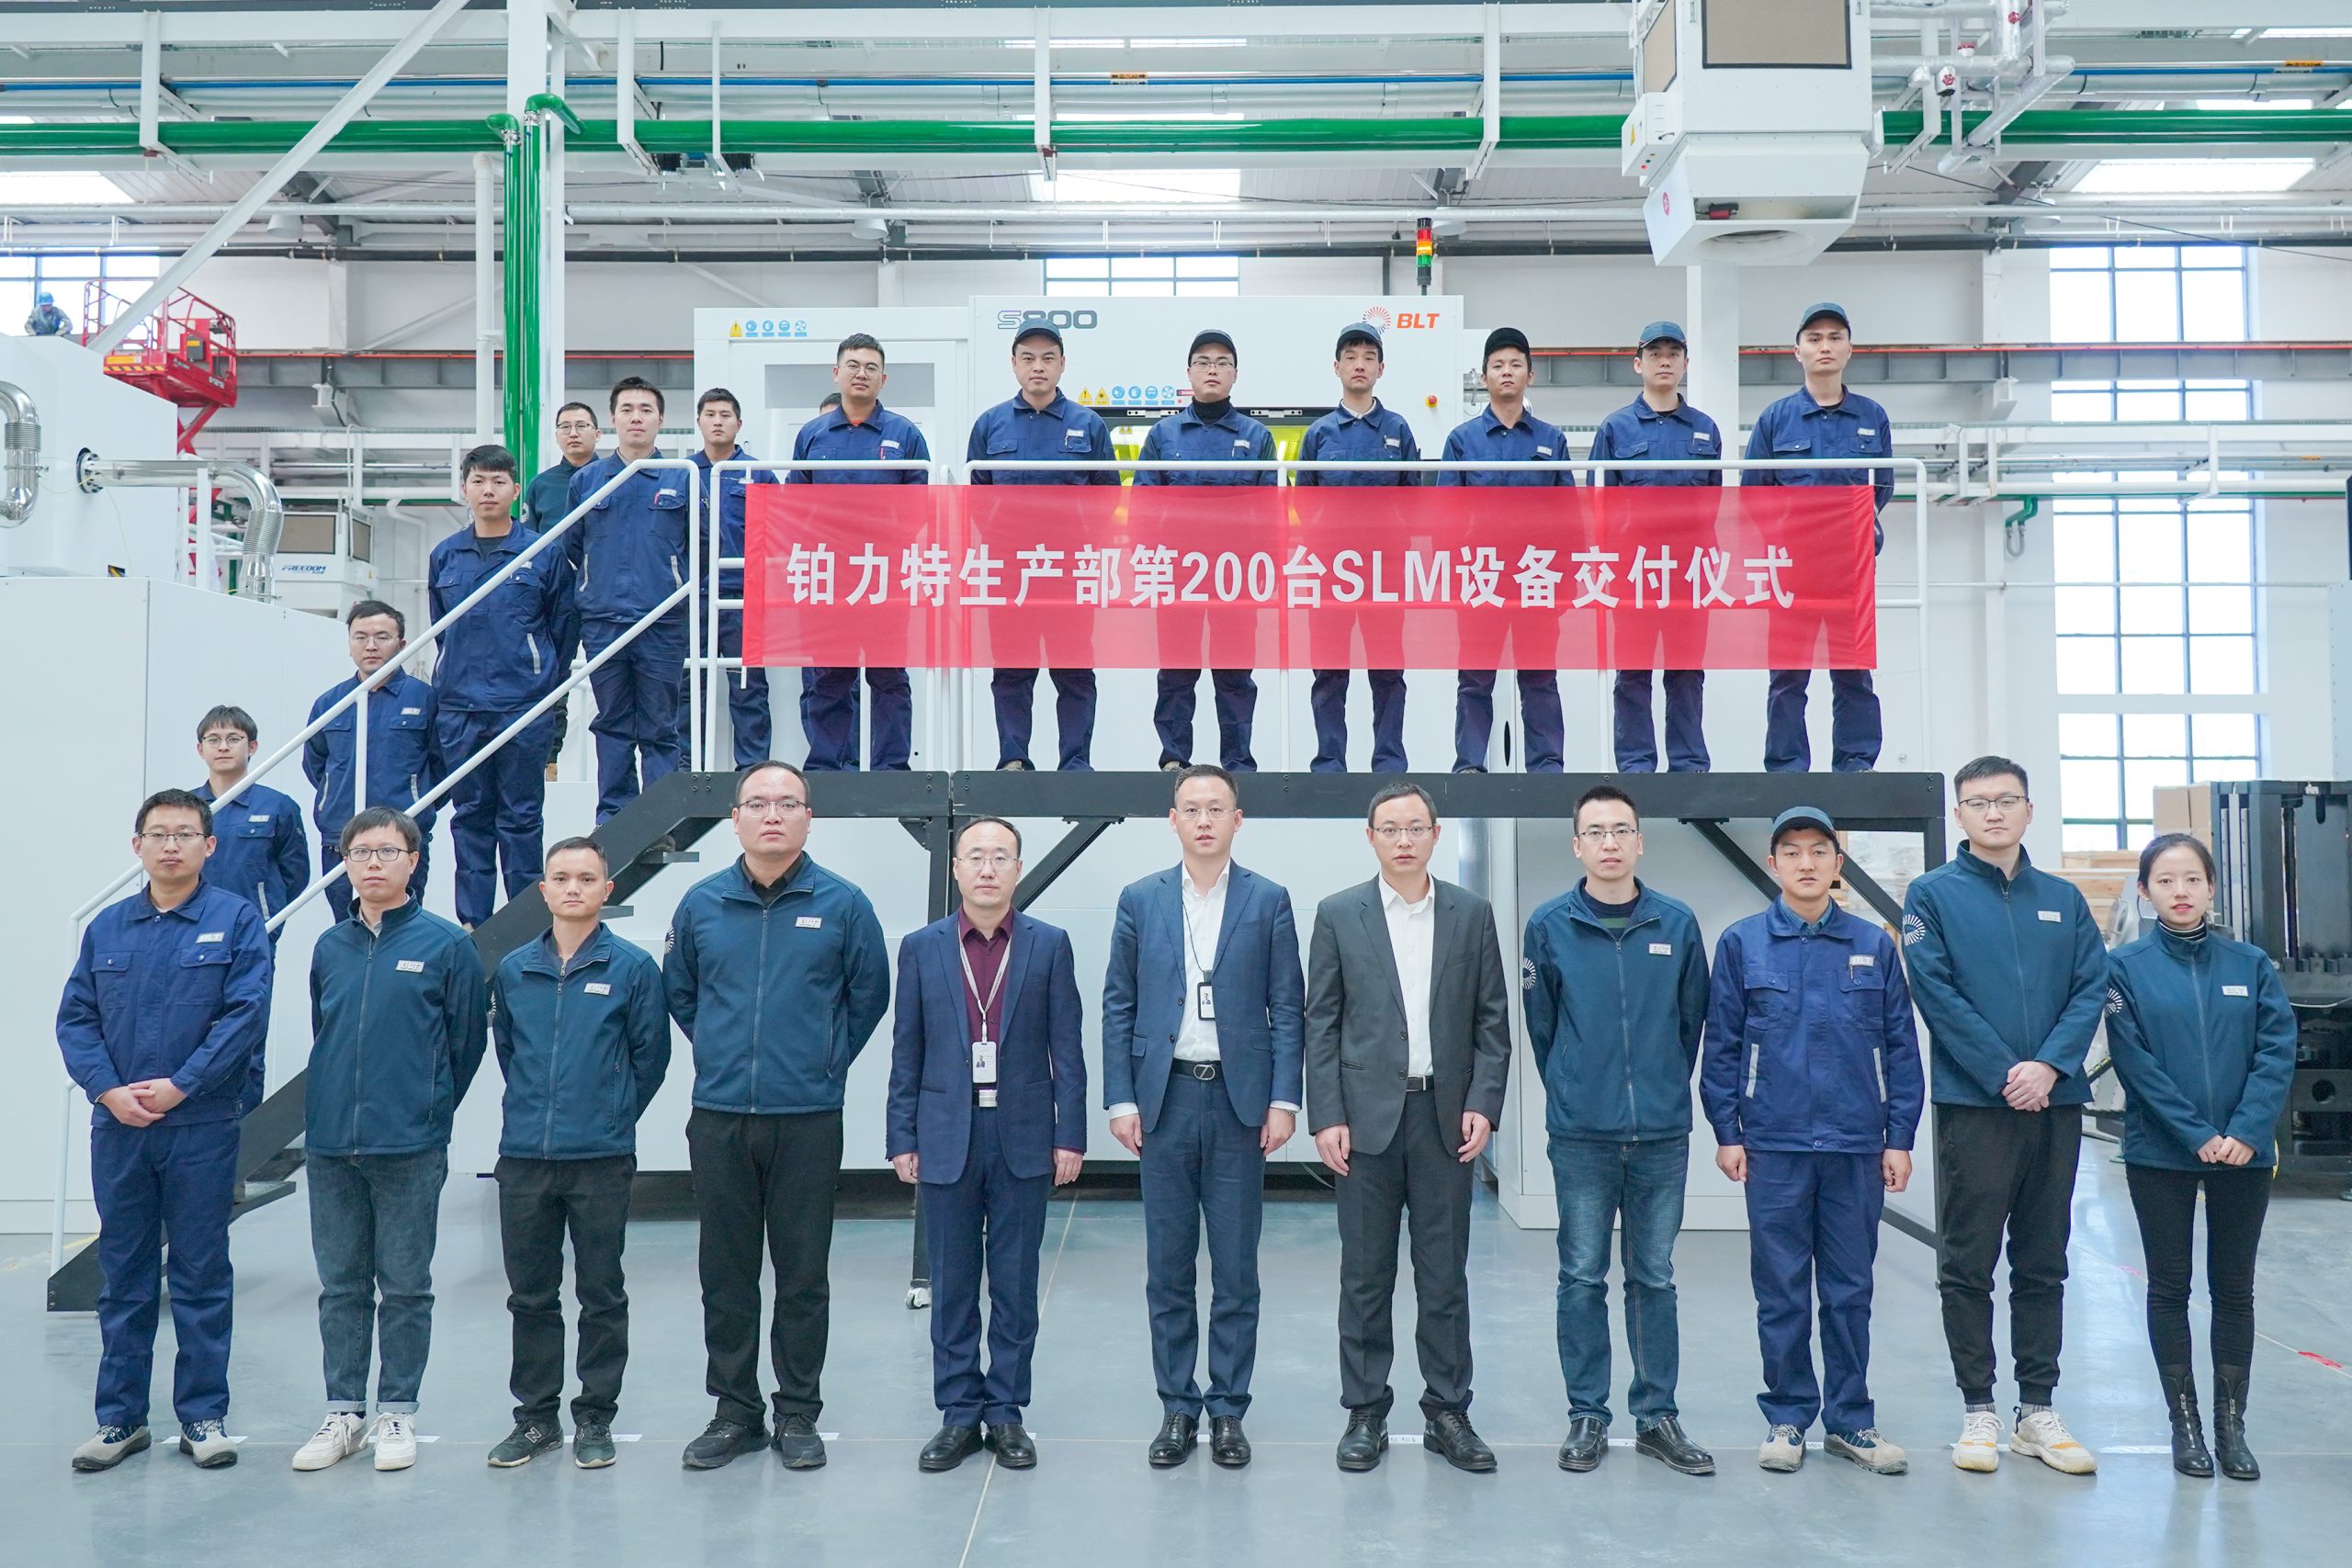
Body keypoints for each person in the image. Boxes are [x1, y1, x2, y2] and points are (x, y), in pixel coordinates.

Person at [665, 761, 890, 1472]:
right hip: (720, 1115)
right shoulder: (701, 904)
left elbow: (868, 995)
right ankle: (735, 1410)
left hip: (808, 1117)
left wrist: (822, 1060)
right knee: (726, 1272)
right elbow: (683, 994)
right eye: (757, 803)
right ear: (734, 818)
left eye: (787, 803)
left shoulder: (844, 903)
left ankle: (797, 1410)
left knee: (802, 1273)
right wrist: (726, 1051)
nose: (772, 814)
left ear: (807, 818)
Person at [1899, 756, 2108, 1476]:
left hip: (2055, 1103)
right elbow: (1936, 993)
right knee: (1969, 1260)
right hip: (1975, 1105)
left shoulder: (2064, 899)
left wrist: (2048, 1066)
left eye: (2006, 799)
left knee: (2043, 1259)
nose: (1994, 812)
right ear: (1959, 813)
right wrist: (2003, 1072)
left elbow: (2090, 986)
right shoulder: (1932, 895)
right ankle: (1979, 1408)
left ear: (2028, 809)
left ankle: (2037, 1409)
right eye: (1979, 801)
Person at [1701, 806, 1922, 1477]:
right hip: (1775, 1143)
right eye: (1792, 852)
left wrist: (1899, 1136)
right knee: (1782, 1289)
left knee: (1850, 1289)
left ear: (1836, 863)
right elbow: (1721, 1046)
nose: (1806, 862)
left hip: (1856, 1145)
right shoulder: (1742, 944)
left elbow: (1902, 1048)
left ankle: (1851, 1419)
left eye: (1819, 850)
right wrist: (1727, 1131)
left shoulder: (1874, 944)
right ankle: (1789, 1416)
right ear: (1773, 865)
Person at [59, 789, 272, 1473]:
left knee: (200, 1271)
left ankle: (203, 1416)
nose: (171, 845)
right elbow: (77, 1019)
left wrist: (184, 1083)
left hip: (200, 1124)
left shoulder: (236, 920)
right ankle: (120, 1419)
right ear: (138, 846)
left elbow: (245, 1015)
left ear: (210, 846)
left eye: (185, 833)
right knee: (123, 1274)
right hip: (120, 1126)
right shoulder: (108, 927)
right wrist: (107, 1089)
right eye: (158, 834)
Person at [1101, 763, 1304, 1469]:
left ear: (1238, 819)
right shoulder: (1140, 899)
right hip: (1165, 1100)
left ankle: (1228, 1409)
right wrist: (1121, 1097)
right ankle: (1177, 1407)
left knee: (1237, 1266)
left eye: (1217, 807)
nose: (1205, 819)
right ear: (1174, 819)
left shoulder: (1269, 899)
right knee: (1168, 1264)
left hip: (1239, 1103)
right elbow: (1119, 1002)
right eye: (1192, 808)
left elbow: (1288, 1007)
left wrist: (1283, 1099)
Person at [1304, 781, 1510, 1473]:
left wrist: (1484, 1101)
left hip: (1444, 1119)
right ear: (1370, 837)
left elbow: (1491, 1019)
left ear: (1435, 834)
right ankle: (1366, 1411)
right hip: (1364, 1122)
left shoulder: (1470, 913)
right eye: (1389, 828)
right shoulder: (1339, 913)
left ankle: (1448, 1410)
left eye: (1415, 827)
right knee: (1365, 1275)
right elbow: (1321, 1022)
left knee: (1443, 1273)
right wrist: (1327, 1114)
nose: (1402, 839)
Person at [1521, 784, 1714, 1477]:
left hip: (1661, 1134)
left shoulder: (1677, 924)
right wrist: (1580, 1088)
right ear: (1577, 845)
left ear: (1640, 841)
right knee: (1581, 1274)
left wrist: (1656, 1088)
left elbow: (1691, 1024)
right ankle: (1587, 1415)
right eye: (1596, 832)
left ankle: (1657, 1415)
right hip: (1582, 1136)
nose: (1610, 843)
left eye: (1621, 830)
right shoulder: (1549, 926)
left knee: (1654, 1276)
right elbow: (1543, 1029)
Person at [291, 807, 490, 1475]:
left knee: (405, 1285)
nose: (372, 863)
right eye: (360, 852)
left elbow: (465, 1043)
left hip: (410, 1144)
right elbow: (324, 1030)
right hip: (330, 1144)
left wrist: (424, 1108)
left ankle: (397, 1410)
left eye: (387, 851)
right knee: (341, 1285)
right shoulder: (330, 947)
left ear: (413, 860)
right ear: (345, 862)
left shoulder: (447, 945)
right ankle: (343, 1411)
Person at [888, 817, 1086, 1472]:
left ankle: (1005, 1410)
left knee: (1015, 1280)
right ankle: (957, 1413)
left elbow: (1068, 1049)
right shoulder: (922, 948)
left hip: (1023, 1133)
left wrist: (1070, 1133)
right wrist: (901, 1134)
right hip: (946, 1132)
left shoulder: (1049, 945)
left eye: (1001, 856)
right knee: (950, 1282)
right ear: (956, 867)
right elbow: (907, 1050)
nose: (987, 868)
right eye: (975, 856)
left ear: (1018, 869)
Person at [2104, 832, 2297, 1483]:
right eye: (2165, 881)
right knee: (2169, 1286)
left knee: (2234, 1289)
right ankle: (2183, 1425)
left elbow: (2276, 1049)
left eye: (2192, 879)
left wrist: (2246, 1129)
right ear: (2144, 891)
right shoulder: (2125, 968)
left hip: (2244, 1153)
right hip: (2160, 1153)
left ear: (2211, 887)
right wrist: (2194, 1133)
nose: (2180, 891)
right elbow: (2135, 1062)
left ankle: (2230, 1426)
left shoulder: (2251, 964)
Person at [484, 837, 671, 1472]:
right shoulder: (515, 970)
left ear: (606, 889)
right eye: (561, 877)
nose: (573, 887)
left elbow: (650, 1058)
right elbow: (509, 1052)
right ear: (543, 890)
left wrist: (609, 1115)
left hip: (601, 1158)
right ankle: (536, 1418)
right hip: (524, 1159)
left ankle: (595, 1416)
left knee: (601, 1292)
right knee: (530, 1295)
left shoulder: (633, 969)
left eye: (586, 878)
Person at [428, 444, 577, 930]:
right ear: (464, 490)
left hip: (523, 706)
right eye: (478, 481)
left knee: (521, 816)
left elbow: (563, 626)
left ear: (516, 491)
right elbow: (441, 628)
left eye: (498, 481)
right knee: (470, 815)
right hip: (460, 706)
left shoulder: (542, 551)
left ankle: (525, 921)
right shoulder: (445, 556)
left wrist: (541, 682)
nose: (488, 490)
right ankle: (474, 923)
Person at [1744, 304, 1895, 773]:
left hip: (1851, 567)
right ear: (1798, 352)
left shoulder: (1872, 416)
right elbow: (1754, 496)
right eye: (1814, 339)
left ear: (1849, 349)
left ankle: (1856, 763)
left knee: (1853, 672)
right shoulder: (1776, 419)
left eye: (1834, 337)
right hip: (1792, 571)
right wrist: (1790, 541)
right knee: (1788, 677)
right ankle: (1787, 767)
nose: (1824, 347)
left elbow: (1882, 487)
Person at [967, 321, 1117, 772]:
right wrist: (1004, 541)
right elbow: (976, 498)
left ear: (1062, 365)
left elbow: (1108, 497)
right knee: (1011, 671)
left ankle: (1075, 764)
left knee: (1074, 672)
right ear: (1014, 365)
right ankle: (1014, 758)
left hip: (1070, 571)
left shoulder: (1088, 424)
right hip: (1010, 571)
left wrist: (1077, 541)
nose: (1038, 366)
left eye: (1048, 358)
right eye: (1028, 358)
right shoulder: (990, 424)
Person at [1134, 330, 1275, 773]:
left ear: (1235, 374)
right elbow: (1143, 507)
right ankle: (1174, 759)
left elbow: (1271, 509)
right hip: (1177, 575)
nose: (1212, 370)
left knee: (1236, 676)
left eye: (1222, 363)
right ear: (1189, 372)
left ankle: (1238, 762)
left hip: (1236, 577)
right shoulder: (1163, 435)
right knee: (1176, 673)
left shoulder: (1257, 436)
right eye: (1203, 362)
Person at [789, 334, 932, 772]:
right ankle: (827, 766)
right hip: (829, 575)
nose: (861, 374)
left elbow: (920, 506)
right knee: (829, 676)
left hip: (884, 574)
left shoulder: (905, 434)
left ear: (883, 379)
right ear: (837, 374)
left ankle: (891, 768)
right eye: (853, 365)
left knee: (889, 676)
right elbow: (795, 505)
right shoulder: (812, 435)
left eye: (871, 367)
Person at [1588, 321, 1723, 773]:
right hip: (1634, 573)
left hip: (1689, 572)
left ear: (1685, 363)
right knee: (1633, 672)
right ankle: (1636, 765)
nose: (1664, 361)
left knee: (1687, 672)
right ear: (1638, 364)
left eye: (1673, 353)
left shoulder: (1705, 429)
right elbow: (1598, 504)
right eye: (1655, 353)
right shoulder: (1615, 428)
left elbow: (1714, 502)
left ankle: (1689, 765)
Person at [1437, 327, 1570, 774]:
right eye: (1498, 365)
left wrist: (1566, 582)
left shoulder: (1552, 440)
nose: (1506, 372)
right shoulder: (1462, 440)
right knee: (1475, 680)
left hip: (1537, 577)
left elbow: (1569, 518)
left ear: (1530, 375)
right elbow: (1447, 518)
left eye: (1515, 365)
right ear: (1484, 377)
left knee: (1539, 679)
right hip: (1482, 577)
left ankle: (1547, 767)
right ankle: (1470, 765)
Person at [1295, 323, 1418, 773]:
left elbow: (1413, 501)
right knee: (1329, 673)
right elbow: (1303, 504)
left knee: (1388, 673)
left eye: (1369, 357)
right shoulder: (1319, 434)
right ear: (1337, 367)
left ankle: (1389, 762)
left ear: (1381, 369)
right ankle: (1330, 762)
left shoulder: (1398, 429)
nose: (1359, 364)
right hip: (1330, 574)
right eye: (1351, 356)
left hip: (1385, 573)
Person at [568, 377, 689, 823]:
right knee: (612, 721)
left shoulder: (683, 477)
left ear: (661, 420)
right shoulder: (587, 480)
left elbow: (701, 546)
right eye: (627, 409)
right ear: (613, 420)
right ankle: (615, 815)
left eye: (645, 409)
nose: (636, 417)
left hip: (663, 621)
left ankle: (660, 817)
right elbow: (572, 545)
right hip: (603, 619)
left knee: (661, 723)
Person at [192, 704, 309, 1114]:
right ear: (200, 749)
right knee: (190, 1035)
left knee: (248, 1037)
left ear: (253, 746)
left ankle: (244, 1136)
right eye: (214, 739)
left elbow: (295, 876)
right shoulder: (186, 810)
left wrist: (266, 920)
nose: (223, 747)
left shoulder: (278, 807)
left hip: (251, 940)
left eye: (234, 739)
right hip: (189, 940)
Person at [304, 600, 443, 922]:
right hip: (341, 837)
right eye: (361, 637)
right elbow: (316, 765)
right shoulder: (330, 703)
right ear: (349, 644)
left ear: (402, 644)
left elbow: (440, 765)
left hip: (404, 836)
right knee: (346, 928)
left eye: (382, 637)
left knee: (403, 928)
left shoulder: (425, 699)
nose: (371, 646)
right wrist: (333, 799)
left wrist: (417, 801)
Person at [687, 388, 780, 769]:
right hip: (691, 597)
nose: (717, 422)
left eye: (725, 415)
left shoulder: (759, 473)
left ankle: (754, 770)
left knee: (748, 686)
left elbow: (779, 534)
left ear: (739, 424)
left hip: (743, 597)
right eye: (710, 414)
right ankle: (688, 769)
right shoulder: (682, 473)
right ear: (698, 422)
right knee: (688, 687)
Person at [526, 402, 602, 773]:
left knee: (615, 678)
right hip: (555, 595)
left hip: (606, 592)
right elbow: (530, 543)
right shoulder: (542, 485)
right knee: (552, 677)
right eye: (565, 426)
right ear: (556, 435)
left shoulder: (618, 476)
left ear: (597, 434)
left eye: (581, 425)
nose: (573, 433)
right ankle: (548, 762)